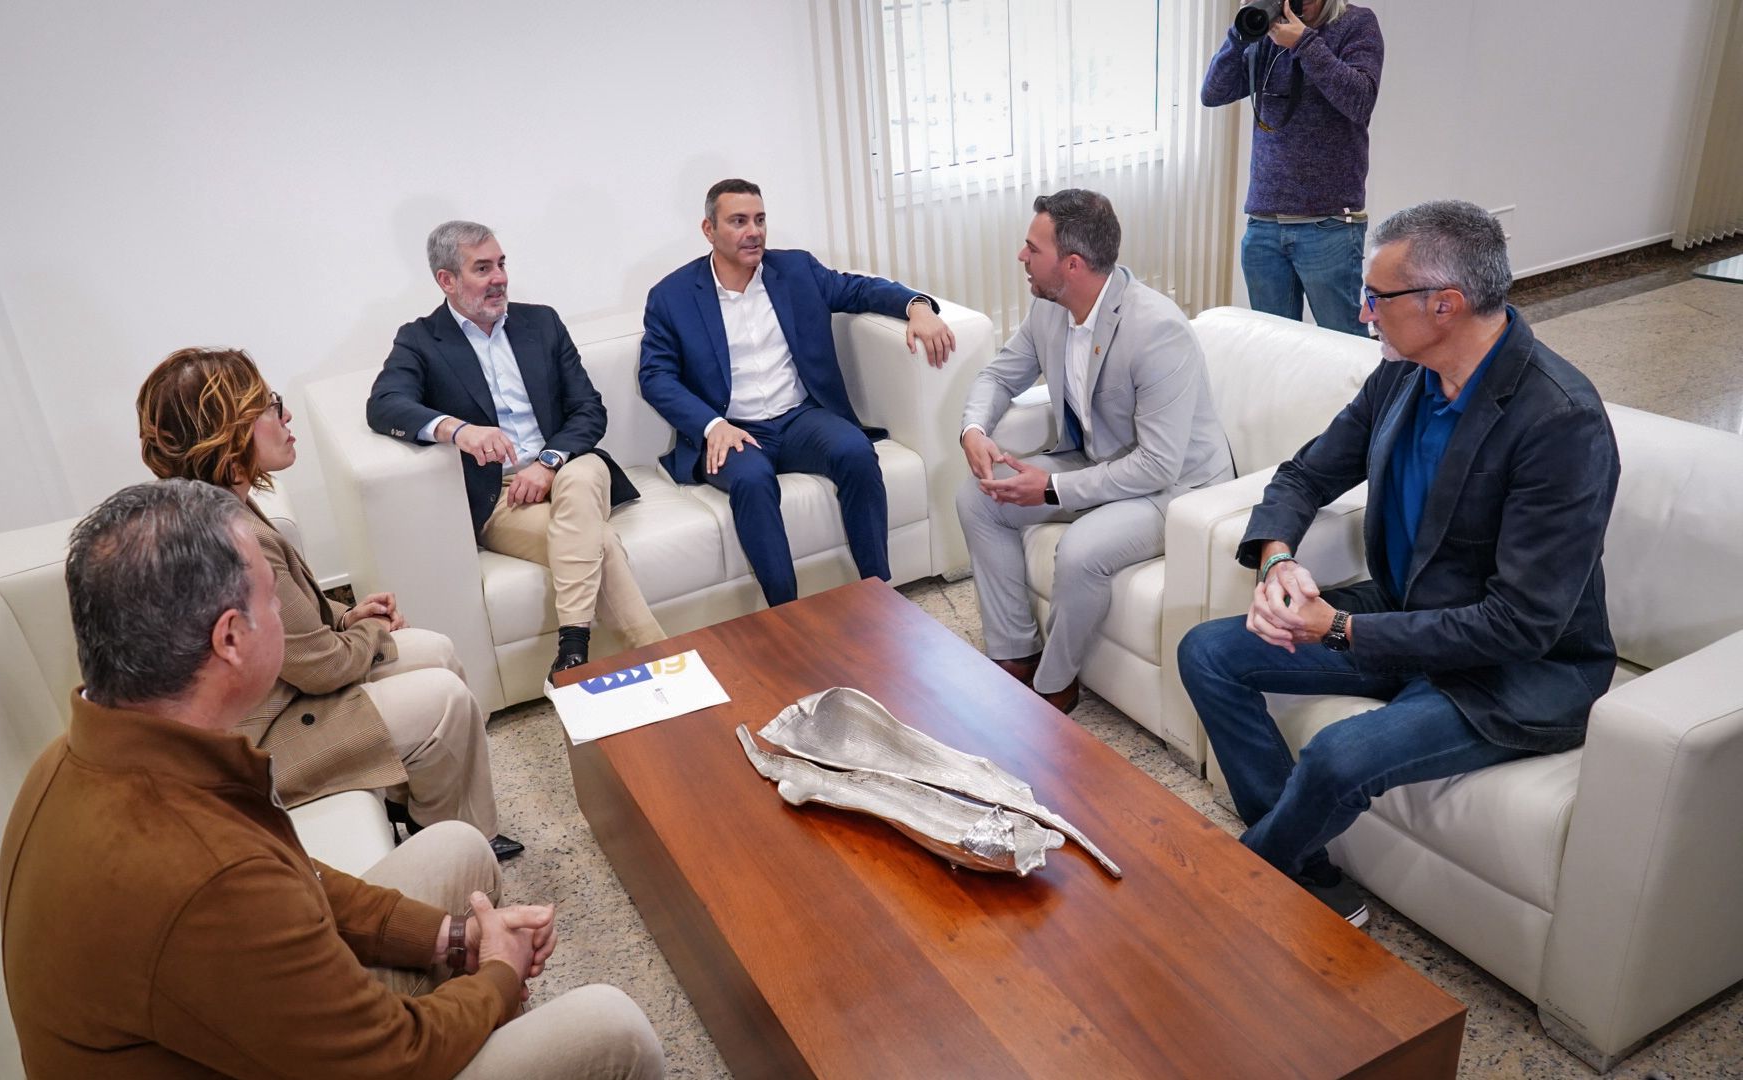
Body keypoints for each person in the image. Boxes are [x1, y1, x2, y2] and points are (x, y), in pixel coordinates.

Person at [0, 479, 664, 1078]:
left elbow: (300, 882)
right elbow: (389, 1059)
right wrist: (494, 975)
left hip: (260, 1028)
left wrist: (452, 937)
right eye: (272, 598)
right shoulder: (202, 872)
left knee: (457, 847)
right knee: (612, 1030)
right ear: (230, 639)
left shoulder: (75, 760)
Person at [1176, 200, 1620, 927]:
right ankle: (1303, 870)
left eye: (1378, 297)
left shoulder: (1560, 420)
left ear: (1443, 304)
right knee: (1209, 654)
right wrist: (1278, 561)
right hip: (1408, 614)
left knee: (1337, 755)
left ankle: (1238, 881)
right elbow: (1304, 476)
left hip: (1512, 673)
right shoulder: (1403, 375)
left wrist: (1343, 631)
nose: (1364, 312)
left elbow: (1523, 623)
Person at [139, 348, 522, 861]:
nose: (286, 415)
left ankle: (429, 819)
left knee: (435, 650)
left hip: (277, 700)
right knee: (443, 700)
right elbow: (321, 668)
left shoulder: (215, 503)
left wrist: (347, 618)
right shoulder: (229, 536)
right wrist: (370, 634)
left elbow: (289, 636)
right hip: (256, 752)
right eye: (270, 406)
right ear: (227, 429)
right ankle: (460, 853)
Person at [957, 190, 1233, 713]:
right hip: (1098, 461)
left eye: (1031, 249)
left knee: (1082, 550)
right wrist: (974, 429)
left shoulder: (1157, 330)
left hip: (1179, 488)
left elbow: (1158, 463)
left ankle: (1053, 686)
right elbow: (998, 374)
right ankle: (1015, 654)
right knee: (978, 497)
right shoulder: (1049, 311)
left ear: (1073, 264)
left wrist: (1053, 485)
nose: (1021, 258)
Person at [638, 177, 958, 607]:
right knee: (752, 480)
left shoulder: (796, 270)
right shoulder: (672, 296)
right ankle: (785, 613)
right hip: (735, 430)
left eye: (760, 219)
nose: (754, 231)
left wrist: (917, 306)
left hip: (800, 418)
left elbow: (859, 289)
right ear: (709, 230)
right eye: (738, 221)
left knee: (855, 452)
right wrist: (712, 426)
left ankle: (881, 596)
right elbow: (655, 376)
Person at [369, 221, 665, 676]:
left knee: (583, 477)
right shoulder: (421, 340)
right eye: (482, 268)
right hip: (500, 495)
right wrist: (458, 430)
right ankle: (657, 659)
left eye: (501, 264)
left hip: (567, 465)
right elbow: (385, 404)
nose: (499, 278)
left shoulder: (540, 322)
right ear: (446, 280)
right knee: (598, 540)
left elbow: (588, 409)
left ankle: (574, 651)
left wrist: (548, 464)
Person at [1201, 0, 1384, 335]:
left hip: (1328, 223)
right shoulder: (1267, 31)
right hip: (1264, 223)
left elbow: (1359, 100)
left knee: (1343, 341)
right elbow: (1213, 93)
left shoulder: (1356, 24)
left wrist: (1304, 43)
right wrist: (1242, 33)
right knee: (1276, 345)